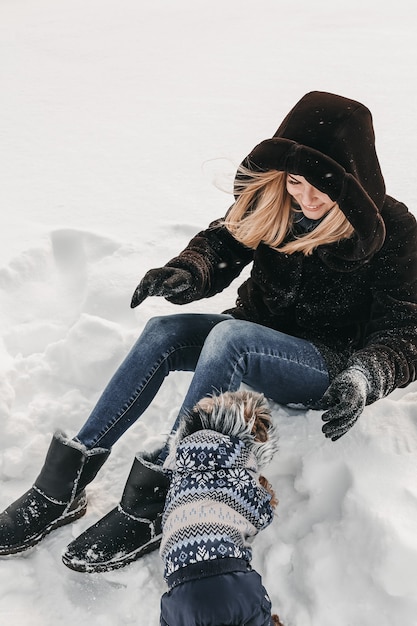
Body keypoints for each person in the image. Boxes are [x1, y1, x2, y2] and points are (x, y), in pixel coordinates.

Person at [1, 91, 417, 574]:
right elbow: (222, 241)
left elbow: (408, 329)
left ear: (353, 181)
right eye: (297, 182)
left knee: (228, 338)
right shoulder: (275, 199)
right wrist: (189, 270)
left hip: (323, 366)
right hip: (249, 342)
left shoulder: (393, 230)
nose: (304, 198)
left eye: (320, 189)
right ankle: (63, 484)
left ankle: (168, 491)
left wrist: (366, 377)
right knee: (163, 331)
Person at [158, 389, 284, 626]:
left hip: (179, 596)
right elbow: (263, 514)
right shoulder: (238, 475)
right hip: (231, 585)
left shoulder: (179, 475)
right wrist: (264, 492)